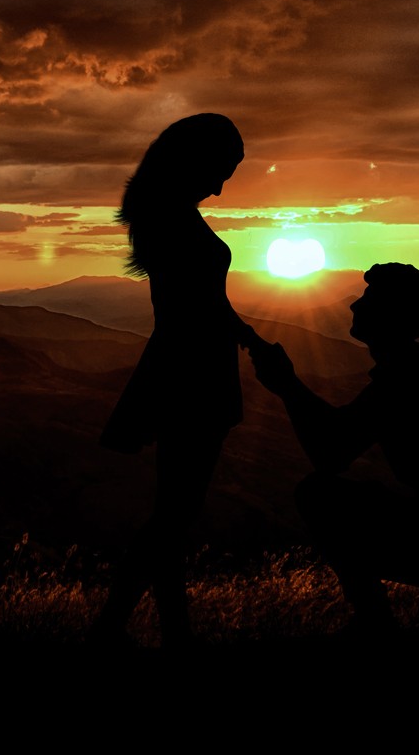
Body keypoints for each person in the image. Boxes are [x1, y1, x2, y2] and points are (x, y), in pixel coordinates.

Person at [250, 262, 419, 632]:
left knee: (318, 496)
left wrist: (287, 386)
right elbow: (339, 438)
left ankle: (382, 621)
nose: (354, 307)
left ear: (391, 316)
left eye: (368, 300)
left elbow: (330, 453)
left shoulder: (407, 377)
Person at [90, 113, 259, 648]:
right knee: (174, 516)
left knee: (173, 513)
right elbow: (195, 308)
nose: (221, 186)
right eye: (222, 170)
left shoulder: (168, 215)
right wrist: (241, 337)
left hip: (186, 367)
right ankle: (114, 626)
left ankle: (170, 631)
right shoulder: (172, 219)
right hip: (193, 374)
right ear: (196, 161)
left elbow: (206, 300)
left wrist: (247, 336)